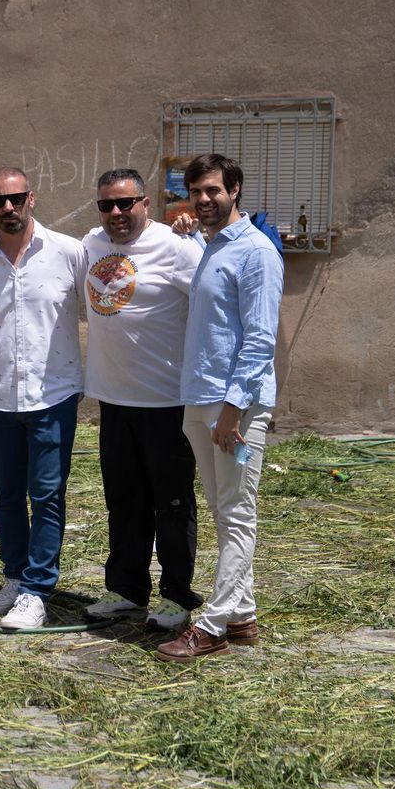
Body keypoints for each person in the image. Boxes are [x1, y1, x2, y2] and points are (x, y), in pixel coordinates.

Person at [157, 154, 284, 661]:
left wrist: (233, 409)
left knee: (236, 513)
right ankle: (243, 616)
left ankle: (211, 625)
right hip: (200, 398)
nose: (204, 200)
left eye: (213, 191)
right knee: (222, 510)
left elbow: (259, 339)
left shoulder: (256, 253)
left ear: (235, 190)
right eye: (196, 192)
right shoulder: (211, 247)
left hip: (236, 408)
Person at [0, 168, 87, 631]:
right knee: (7, 495)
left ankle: (38, 590)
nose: (8, 208)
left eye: (15, 199)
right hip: (0, 400)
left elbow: (105, 313)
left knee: (46, 494)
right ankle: (14, 578)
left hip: (54, 395)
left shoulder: (69, 252)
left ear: (32, 198)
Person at [80, 170, 205, 632]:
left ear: (146, 203)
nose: (116, 213)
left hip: (167, 401)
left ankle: (176, 595)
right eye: (107, 205)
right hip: (113, 400)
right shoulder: (91, 244)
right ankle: (127, 590)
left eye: (125, 203)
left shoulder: (177, 247)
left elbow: (212, 304)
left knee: (171, 503)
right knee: (124, 501)